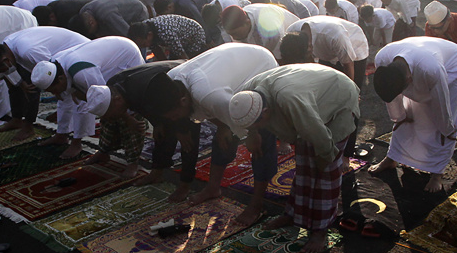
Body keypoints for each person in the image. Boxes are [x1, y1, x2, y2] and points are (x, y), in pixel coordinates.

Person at [229, 63, 360, 253]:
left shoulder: (290, 100)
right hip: (310, 96)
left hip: (338, 97)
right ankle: (293, 215)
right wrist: (251, 134)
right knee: (304, 166)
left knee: (325, 174)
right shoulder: (247, 95)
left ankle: (320, 230)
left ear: (265, 113)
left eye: (259, 125)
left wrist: (327, 157)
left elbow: (319, 135)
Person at [162, 43, 280, 223]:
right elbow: (209, 110)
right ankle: (213, 188)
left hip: (259, 66)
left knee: (261, 144)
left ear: (183, 101)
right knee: (223, 136)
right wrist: (223, 126)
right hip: (229, 74)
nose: (174, 120)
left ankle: (256, 204)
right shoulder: (171, 81)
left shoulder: (209, 93)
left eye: (175, 115)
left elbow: (233, 113)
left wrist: (253, 135)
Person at [370, 37, 457, 192]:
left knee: (440, 121)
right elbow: (391, 97)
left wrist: (448, 131)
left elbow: (442, 107)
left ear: (409, 79)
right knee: (409, 115)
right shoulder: (383, 59)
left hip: (451, 66)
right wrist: (399, 117)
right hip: (424, 55)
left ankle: (437, 173)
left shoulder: (431, 70)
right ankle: (392, 158)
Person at [85, 61, 194, 201]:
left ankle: (185, 185)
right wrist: (157, 123)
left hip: (183, 87)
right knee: (162, 133)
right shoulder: (115, 86)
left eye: (111, 114)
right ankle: (157, 173)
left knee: (188, 141)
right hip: (163, 97)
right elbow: (144, 106)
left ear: (117, 100)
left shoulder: (145, 90)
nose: (113, 118)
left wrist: (180, 130)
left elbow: (174, 108)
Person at [31, 36, 144, 159]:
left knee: (121, 106)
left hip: (125, 57)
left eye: (54, 90)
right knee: (95, 106)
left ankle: (132, 161)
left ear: (60, 79)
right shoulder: (54, 65)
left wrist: (128, 119)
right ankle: (101, 151)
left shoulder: (83, 73)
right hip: (108, 53)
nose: (55, 94)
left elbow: (107, 101)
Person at [0, 26, 89, 141]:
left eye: (3, 70)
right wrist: (21, 83)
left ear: (6, 61)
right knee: (63, 95)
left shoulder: (29, 52)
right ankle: (62, 134)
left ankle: (76, 140)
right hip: (63, 56)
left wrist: (58, 89)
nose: (6, 73)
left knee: (73, 96)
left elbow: (58, 72)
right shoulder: (9, 46)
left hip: (81, 52)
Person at [221, 3, 299, 57]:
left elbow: (279, 57)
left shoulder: (269, 24)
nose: (233, 37)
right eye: (231, 34)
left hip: (293, 38)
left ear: (247, 23)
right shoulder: (236, 29)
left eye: (235, 34)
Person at [127, 14, 206, 60]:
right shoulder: (143, 28)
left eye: (144, 45)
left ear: (149, 35)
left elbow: (183, 56)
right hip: (178, 38)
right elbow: (157, 51)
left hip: (194, 35)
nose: (144, 47)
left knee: (191, 60)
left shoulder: (166, 32)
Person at [75, 0, 148, 39]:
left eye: (93, 32)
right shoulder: (83, 11)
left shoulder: (108, 15)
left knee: (139, 38)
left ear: (92, 23)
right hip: (117, 11)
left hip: (137, 11)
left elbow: (128, 33)